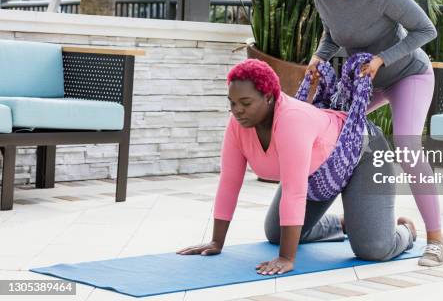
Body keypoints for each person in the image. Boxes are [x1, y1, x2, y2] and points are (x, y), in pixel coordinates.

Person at [300, 0, 443, 266]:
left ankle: (437, 240)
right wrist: (318, 57)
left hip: (409, 74)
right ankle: (349, 222)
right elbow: (333, 34)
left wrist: (383, 58)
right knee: (332, 131)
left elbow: (425, 30)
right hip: (367, 81)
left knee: (407, 145)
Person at [177, 59, 416, 275]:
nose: (237, 110)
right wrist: (216, 242)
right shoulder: (237, 125)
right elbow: (229, 182)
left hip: (361, 151)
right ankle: (345, 223)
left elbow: (294, 191)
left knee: (373, 249)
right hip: (319, 172)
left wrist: (286, 257)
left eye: (246, 102)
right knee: (276, 233)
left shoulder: (291, 120)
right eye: (232, 103)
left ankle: (406, 230)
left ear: (269, 97)